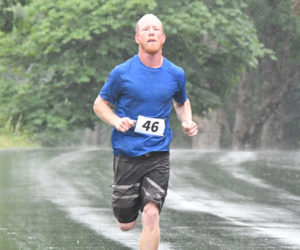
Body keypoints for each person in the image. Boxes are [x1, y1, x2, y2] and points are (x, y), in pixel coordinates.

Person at [93, 13, 198, 250]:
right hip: (127, 153)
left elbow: (181, 102)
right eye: (145, 29)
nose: (151, 32)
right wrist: (116, 120)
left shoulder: (175, 73)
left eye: (155, 29)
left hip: (158, 154)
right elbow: (100, 104)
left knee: (151, 213)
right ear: (137, 38)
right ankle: (126, 214)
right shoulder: (122, 72)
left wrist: (187, 121)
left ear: (163, 37)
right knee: (126, 224)